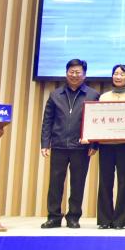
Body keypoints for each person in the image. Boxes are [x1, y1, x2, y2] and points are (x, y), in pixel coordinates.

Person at [40, 59, 99, 229]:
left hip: (81, 147)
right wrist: (45, 143)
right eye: (71, 72)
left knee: (78, 183)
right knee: (55, 183)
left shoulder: (93, 95)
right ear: (66, 73)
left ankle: (73, 217)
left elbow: (96, 122)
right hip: (58, 145)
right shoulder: (55, 95)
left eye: (78, 72)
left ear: (84, 75)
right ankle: (53, 217)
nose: (74, 75)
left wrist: (94, 144)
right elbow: (47, 121)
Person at [95, 64, 125, 230]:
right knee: (105, 181)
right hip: (105, 145)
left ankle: (120, 220)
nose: (118, 77)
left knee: (124, 182)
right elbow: (95, 120)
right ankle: (104, 219)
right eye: (116, 73)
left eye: (122, 74)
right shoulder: (103, 97)